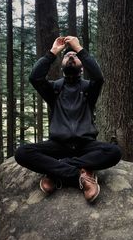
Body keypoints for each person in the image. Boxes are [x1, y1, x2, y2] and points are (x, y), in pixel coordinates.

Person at [15, 36, 122, 203]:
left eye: (76, 56)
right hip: (58, 145)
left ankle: (57, 170)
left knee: (114, 152)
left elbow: (99, 77)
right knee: (22, 153)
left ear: (82, 67)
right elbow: (35, 78)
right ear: (62, 66)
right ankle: (80, 174)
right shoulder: (54, 89)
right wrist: (53, 53)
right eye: (67, 56)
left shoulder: (88, 88)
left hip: (85, 146)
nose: (71, 57)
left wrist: (79, 48)